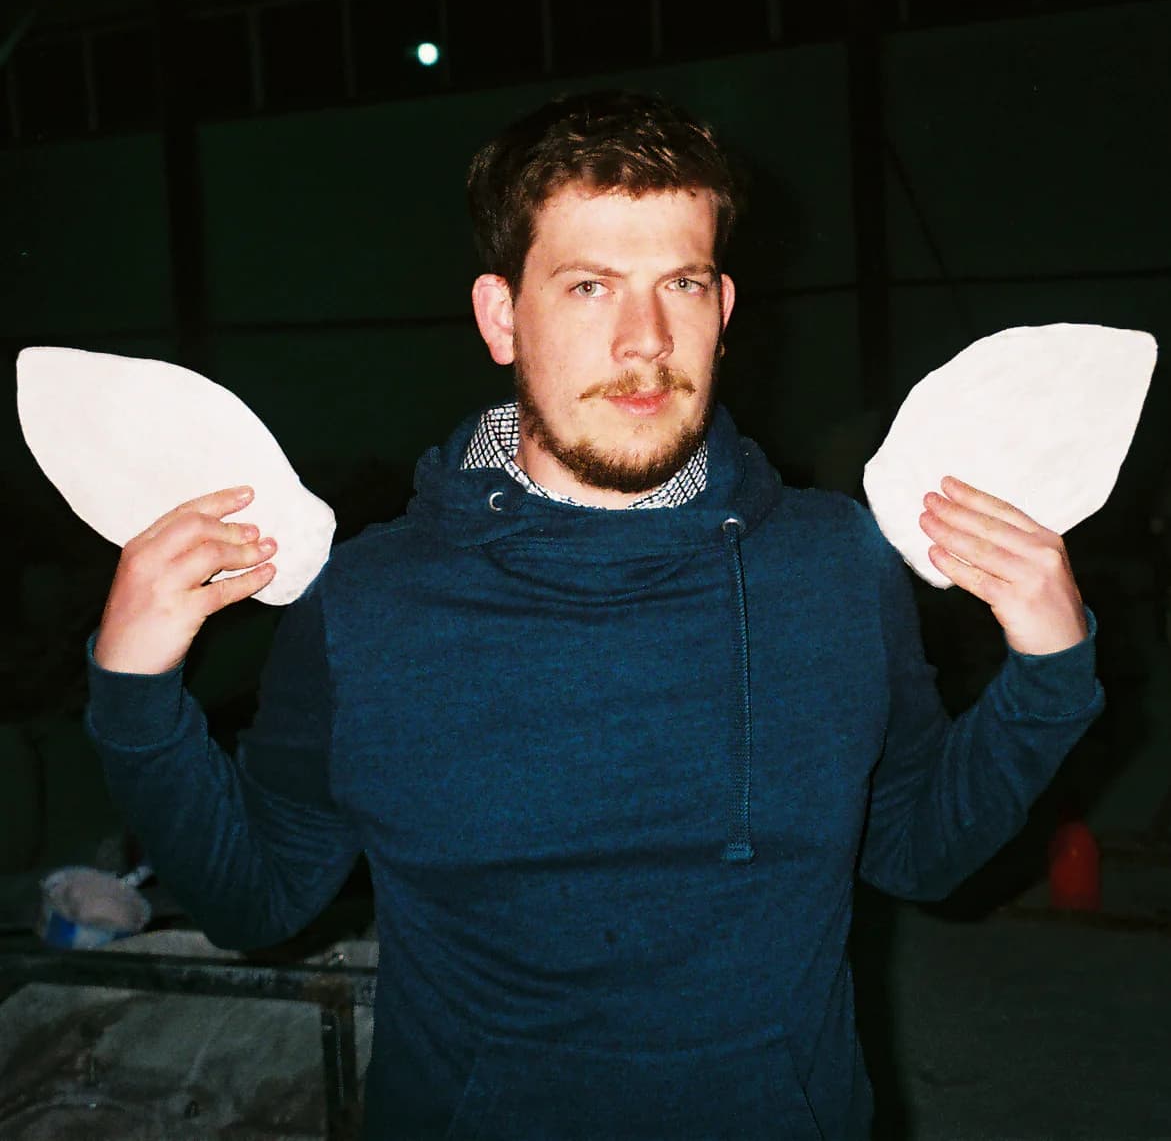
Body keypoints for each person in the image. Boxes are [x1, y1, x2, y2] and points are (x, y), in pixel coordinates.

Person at [86, 91, 1103, 1140]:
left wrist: (1046, 674)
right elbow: (258, 898)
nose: (644, 340)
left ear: (724, 306)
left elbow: (915, 850)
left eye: (682, 284)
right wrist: (135, 696)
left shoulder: (835, 563)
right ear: (501, 315)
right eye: (588, 286)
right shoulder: (368, 603)